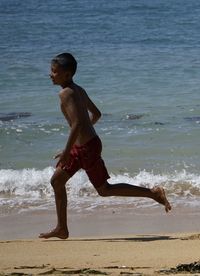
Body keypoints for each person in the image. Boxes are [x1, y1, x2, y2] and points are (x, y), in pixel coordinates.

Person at [39, 53, 171, 239]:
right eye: (51, 71)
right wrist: (79, 140)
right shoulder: (79, 89)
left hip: (86, 149)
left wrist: (67, 151)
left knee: (104, 190)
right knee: (57, 181)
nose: (50, 74)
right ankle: (62, 228)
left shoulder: (65, 93)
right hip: (84, 146)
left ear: (67, 74)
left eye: (54, 71)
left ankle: (153, 193)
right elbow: (96, 114)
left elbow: (77, 124)